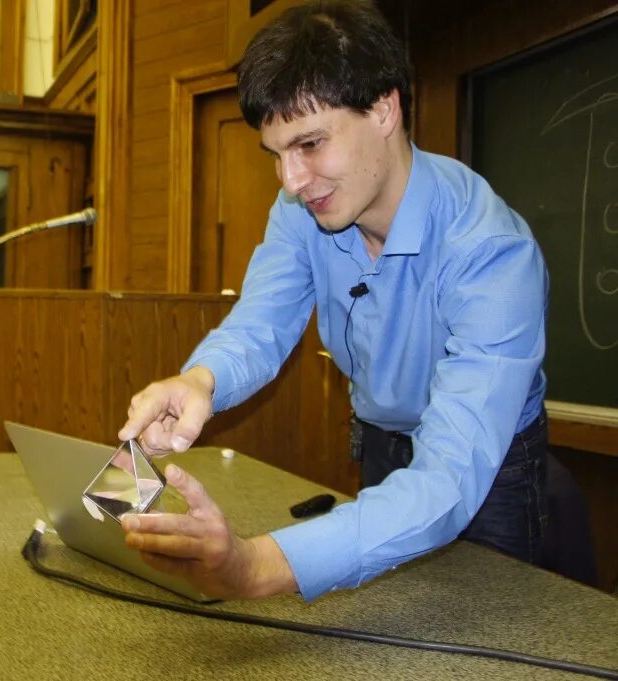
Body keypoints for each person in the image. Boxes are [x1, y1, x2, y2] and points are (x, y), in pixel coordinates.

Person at [118, 0, 550, 603]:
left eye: (310, 144)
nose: (292, 180)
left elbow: (448, 478)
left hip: (492, 462)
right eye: (276, 155)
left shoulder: (493, 253)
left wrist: (256, 565)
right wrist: (201, 380)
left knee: (487, 628)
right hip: (379, 437)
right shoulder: (302, 208)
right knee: (386, 622)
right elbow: (262, 322)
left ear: (384, 109)